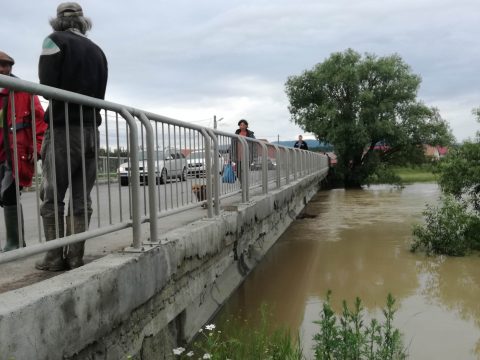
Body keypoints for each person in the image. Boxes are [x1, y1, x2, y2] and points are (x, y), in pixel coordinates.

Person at [35, 2, 108, 271]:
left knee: (53, 195)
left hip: (65, 129)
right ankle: (75, 256)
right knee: (81, 197)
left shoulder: (53, 41)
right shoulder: (98, 51)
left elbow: (47, 88)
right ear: (82, 21)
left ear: (58, 21)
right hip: (92, 131)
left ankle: (54, 257)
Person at [0, 51, 46, 251]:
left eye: (6, 65)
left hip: (15, 153)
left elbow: (40, 122)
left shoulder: (23, 91)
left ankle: (15, 242)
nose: (2, 69)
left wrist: (37, 149)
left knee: (9, 194)